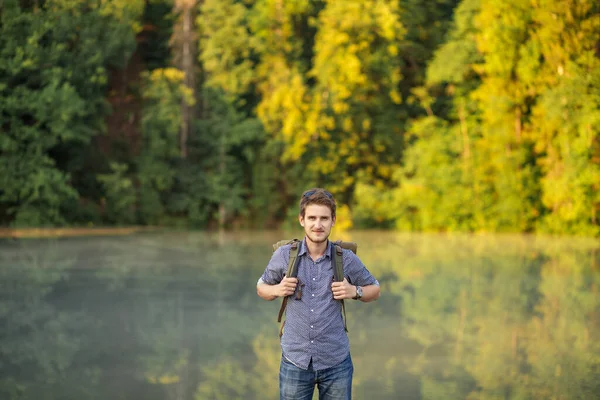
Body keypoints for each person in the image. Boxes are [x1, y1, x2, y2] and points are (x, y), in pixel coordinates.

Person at [256, 188, 380, 400]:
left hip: (336, 363)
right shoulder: (284, 255)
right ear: (301, 220)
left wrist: (354, 291)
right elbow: (262, 287)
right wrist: (277, 289)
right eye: (312, 218)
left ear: (333, 220)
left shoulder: (346, 258)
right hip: (295, 361)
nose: (318, 224)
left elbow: (374, 289)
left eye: (324, 218)